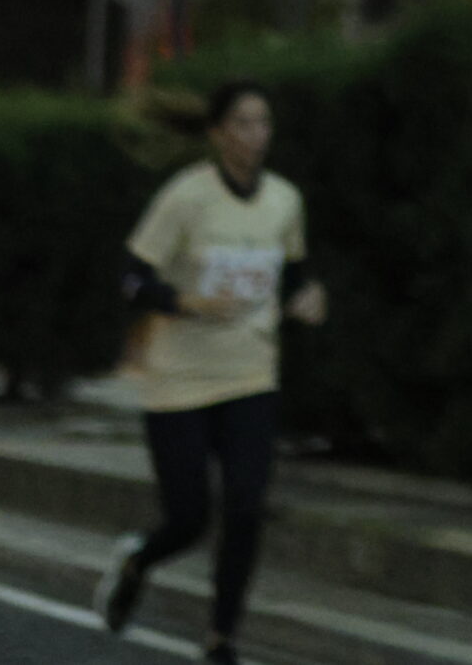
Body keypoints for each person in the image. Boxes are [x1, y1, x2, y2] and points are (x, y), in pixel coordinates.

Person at [95, 81, 326, 665]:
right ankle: (137, 560)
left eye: (263, 122)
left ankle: (222, 638)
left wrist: (308, 298)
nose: (256, 135)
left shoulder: (285, 200)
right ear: (219, 134)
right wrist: (186, 302)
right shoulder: (186, 197)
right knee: (189, 518)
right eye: (243, 123)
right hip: (179, 382)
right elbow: (131, 279)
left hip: (251, 375)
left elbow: (294, 275)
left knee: (246, 507)